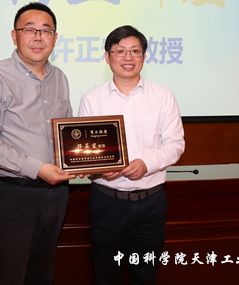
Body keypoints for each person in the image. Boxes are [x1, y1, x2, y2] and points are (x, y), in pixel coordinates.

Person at [0, 2, 76, 285]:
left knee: (42, 275)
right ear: (14, 35)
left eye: (46, 30)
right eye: (30, 29)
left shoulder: (60, 78)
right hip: (13, 196)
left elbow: (66, 130)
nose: (38, 37)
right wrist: (37, 168)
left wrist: (81, 160)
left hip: (56, 194)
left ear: (55, 38)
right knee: (10, 277)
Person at [79, 25, 185, 285]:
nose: (128, 57)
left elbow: (175, 144)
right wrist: (99, 169)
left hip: (150, 203)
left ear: (144, 56)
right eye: (120, 51)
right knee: (106, 274)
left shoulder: (163, 96)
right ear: (107, 57)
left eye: (135, 51)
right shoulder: (92, 99)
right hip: (107, 203)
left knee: (146, 274)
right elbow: (85, 153)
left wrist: (146, 164)